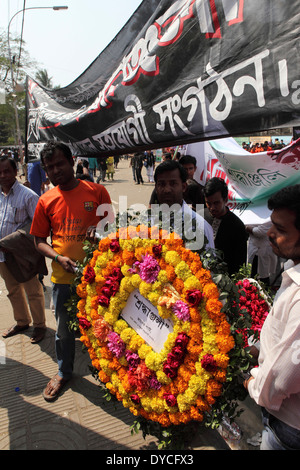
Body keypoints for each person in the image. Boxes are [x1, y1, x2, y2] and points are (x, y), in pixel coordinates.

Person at [30, 141, 113, 402]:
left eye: (59, 164)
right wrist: (58, 257)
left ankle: (112, 375)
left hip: (98, 279)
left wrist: (100, 232)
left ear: (72, 161)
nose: (55, 170)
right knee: (64, 331)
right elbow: (39, 240)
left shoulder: (97, 191)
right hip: (64, 280)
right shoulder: (45, 200)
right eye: (49, 167)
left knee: (104, 328)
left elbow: (113, 227)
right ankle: (64, 372)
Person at [243, 184, 300, 450]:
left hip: (287, 427)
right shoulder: (292, 270)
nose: (271, 234)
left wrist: (251, 383)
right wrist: (259, 350)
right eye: (272, 225)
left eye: (282, 230)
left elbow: (282, 378)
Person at [0, 154, 46, 344]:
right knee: (12, 290)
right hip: (2, 256)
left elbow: (39, 224)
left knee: (33, 291)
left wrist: (15, 238)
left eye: (7, 171)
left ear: (15, 172)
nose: (3, 175)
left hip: (22, 255)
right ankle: (22, 322)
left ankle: (40, 326)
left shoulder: (28, 196)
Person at [152, 160, 214, 251]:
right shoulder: (147, 223)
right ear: (156, 188)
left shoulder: (201, 227)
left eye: (173, 183)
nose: (167, 190)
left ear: (184, 187)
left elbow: (210, 263)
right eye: (161, 184)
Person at [203, 177, 247, 275]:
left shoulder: (237, 226)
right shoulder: (200, 217)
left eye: (216, 203)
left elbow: (239, 263)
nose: (212, 208)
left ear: (226, 199)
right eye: (208, 203)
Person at [245, 219, 278, 285]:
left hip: (264, 251)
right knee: (252, 275)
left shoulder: (269, 218)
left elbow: (259, 232)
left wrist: (247, 228)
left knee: (263, 277)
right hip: (254, 249)